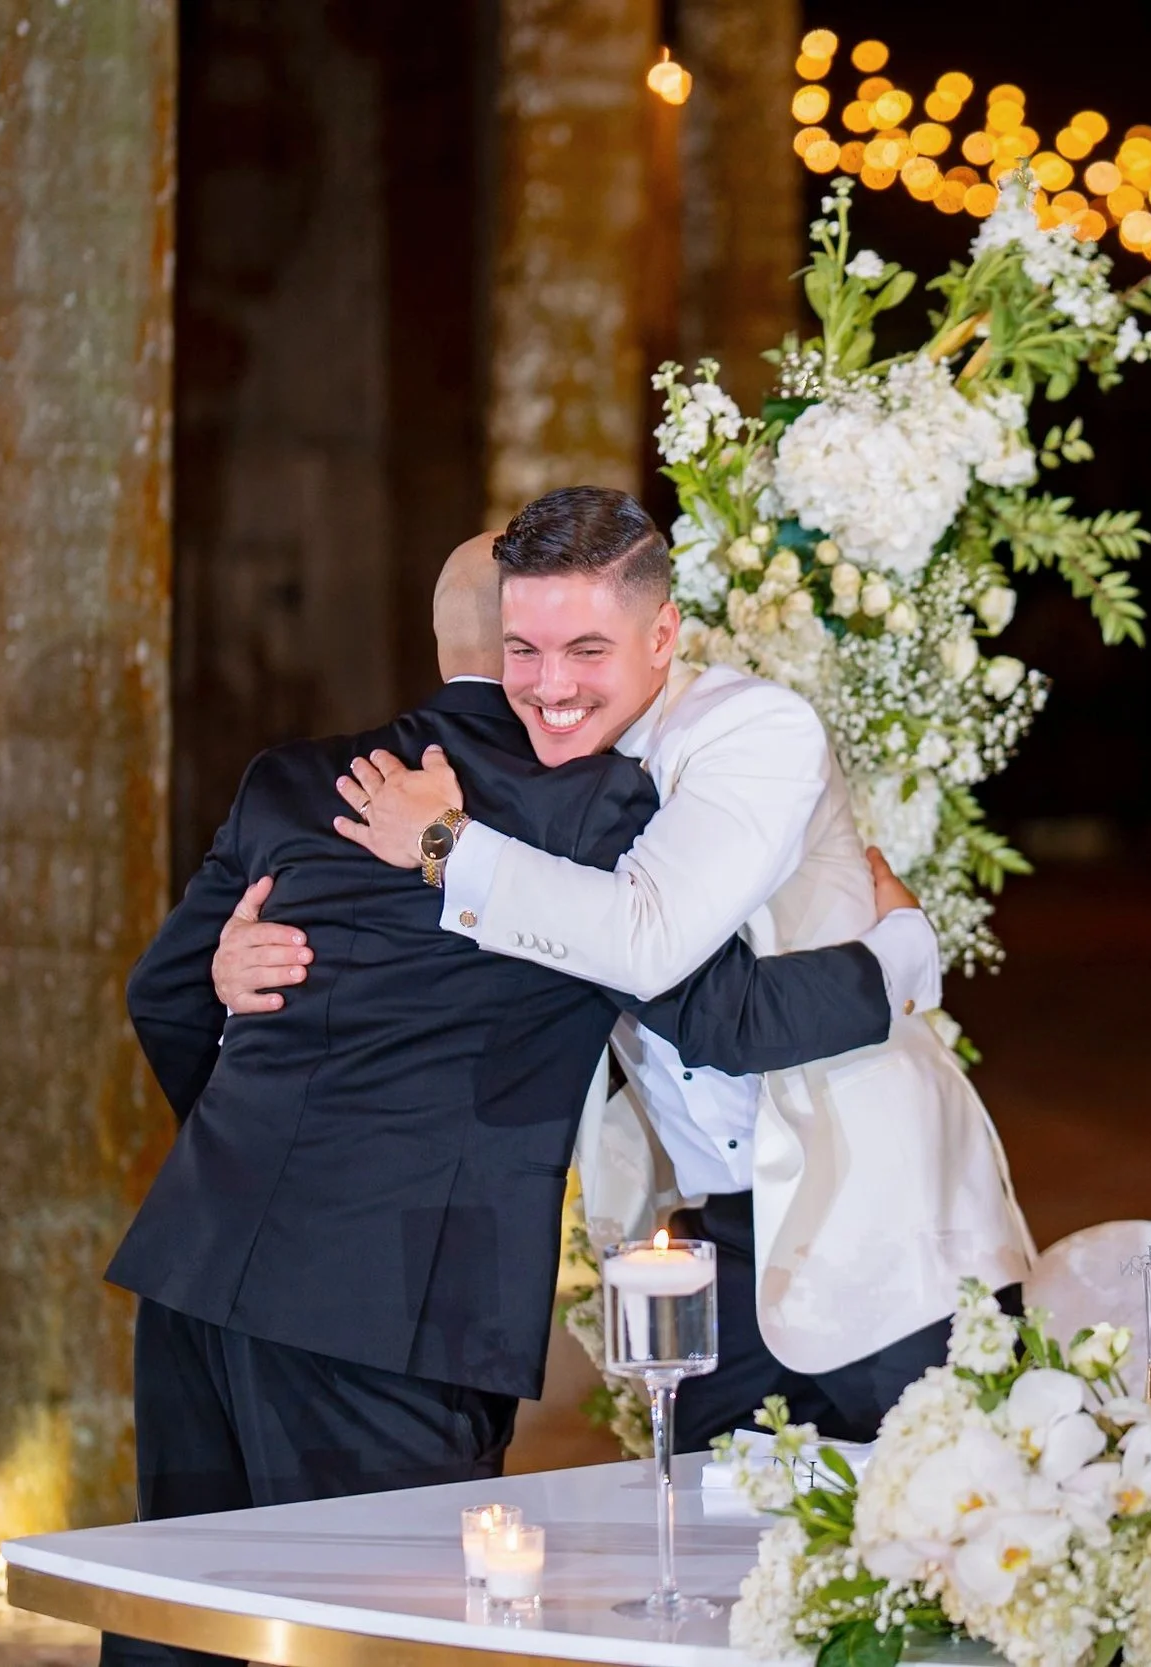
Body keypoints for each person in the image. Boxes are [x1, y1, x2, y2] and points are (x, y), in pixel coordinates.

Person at [101, 534, 932, 1667]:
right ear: (525, 646)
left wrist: (250, 1139)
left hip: (194, 1264)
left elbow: (162, 992)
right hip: (390, 1298)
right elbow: (722, 1012)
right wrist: (896, 953)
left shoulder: (288, 777)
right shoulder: (586, 805)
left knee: (183, 1633)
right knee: (394, 1639)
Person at [215, 487, 1033, 1451]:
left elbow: (651, 944)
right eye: (524, 651)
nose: (548, 686)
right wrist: (247, 972)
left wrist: (445, 844)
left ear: (663, 634)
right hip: (699, 1249)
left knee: (946, 1547)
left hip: (880, 1223)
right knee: (715, 1568)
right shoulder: (534, 774)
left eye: (587, 650)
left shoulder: (753, 730)